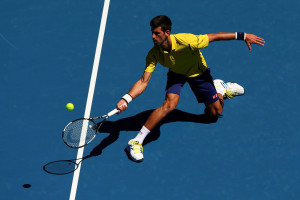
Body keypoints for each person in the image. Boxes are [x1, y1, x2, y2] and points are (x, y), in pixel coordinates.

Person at [116, 15, 265, 162]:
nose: (153, 37)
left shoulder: (187, 41)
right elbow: (143, 81)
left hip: (198, 74)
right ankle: (136, 141)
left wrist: (244, 36)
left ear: (167, 33)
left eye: (157, 33)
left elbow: (214, 37)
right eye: (152, 33)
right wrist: (126, 98)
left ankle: (220, 89)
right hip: (176, 73)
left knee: (214, 114)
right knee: (169, 105)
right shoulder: (154, 54)